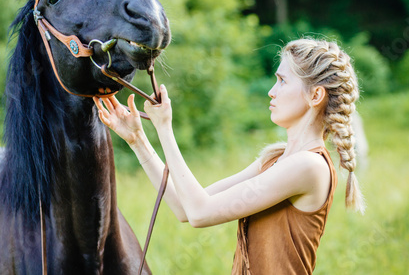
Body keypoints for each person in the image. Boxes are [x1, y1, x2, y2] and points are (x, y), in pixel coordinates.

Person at [94, 38, 366, 274]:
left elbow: (200, 213)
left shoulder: (310, 166)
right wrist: (138, 140)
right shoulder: (275, 159)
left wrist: (164, 128)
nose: (272, 91)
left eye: (282, 81)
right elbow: (184, 208)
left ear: (315, 95)